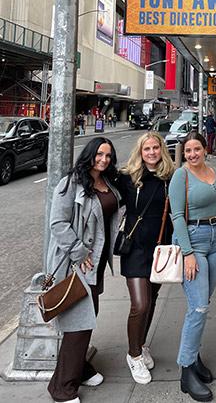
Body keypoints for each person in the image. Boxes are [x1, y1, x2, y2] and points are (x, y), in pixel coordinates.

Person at [46, 137, 121, 403]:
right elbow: (57, 223)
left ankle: (81, 368)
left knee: (89, 316)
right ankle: (62, 388)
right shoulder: (70, 184)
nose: (103, 160)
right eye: (99, 155)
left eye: (108, 156)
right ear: (89, 154)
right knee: (77, 323)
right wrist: (79, 252)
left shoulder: (107, 181)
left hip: (97, 262)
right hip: (76, 262)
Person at [169, 132, 216, 402]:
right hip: (194, 241)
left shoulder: (214, 171)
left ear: (206, 149)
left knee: (204, 301)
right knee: (199, 306)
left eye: (197, 149)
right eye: (188, 150)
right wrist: (188, 253)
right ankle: (185, 370)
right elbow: (177, 216)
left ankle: (194, 357)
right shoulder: (181, 176)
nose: (192, 154)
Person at [114, 132, 175, 385]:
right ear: (140, 151)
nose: (151, 152)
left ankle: (140, 343)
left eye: (155, 148)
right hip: (135, 247)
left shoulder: (170, 178)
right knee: (139, 304)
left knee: (151, 300)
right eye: (146, 148)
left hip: (160, 247)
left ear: (162, 150)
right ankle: (134, 354)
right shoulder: (128, 177)